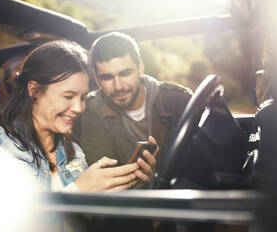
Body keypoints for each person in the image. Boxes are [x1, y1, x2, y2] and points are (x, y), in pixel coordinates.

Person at [0, 40, 155, 192]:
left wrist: (128, 187)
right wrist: (78, 192)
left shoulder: (75, 154)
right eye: (68, 96)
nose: (79, 108)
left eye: (83, 97)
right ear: (35, 90)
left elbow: (88, 220)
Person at [75, 32, 192, 174]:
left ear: (140, 69)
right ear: (97, 79)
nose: (118, 86)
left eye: (125, 73)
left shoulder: (179, 101)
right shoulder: (92, 107)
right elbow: (103, 176)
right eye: (107, 77)